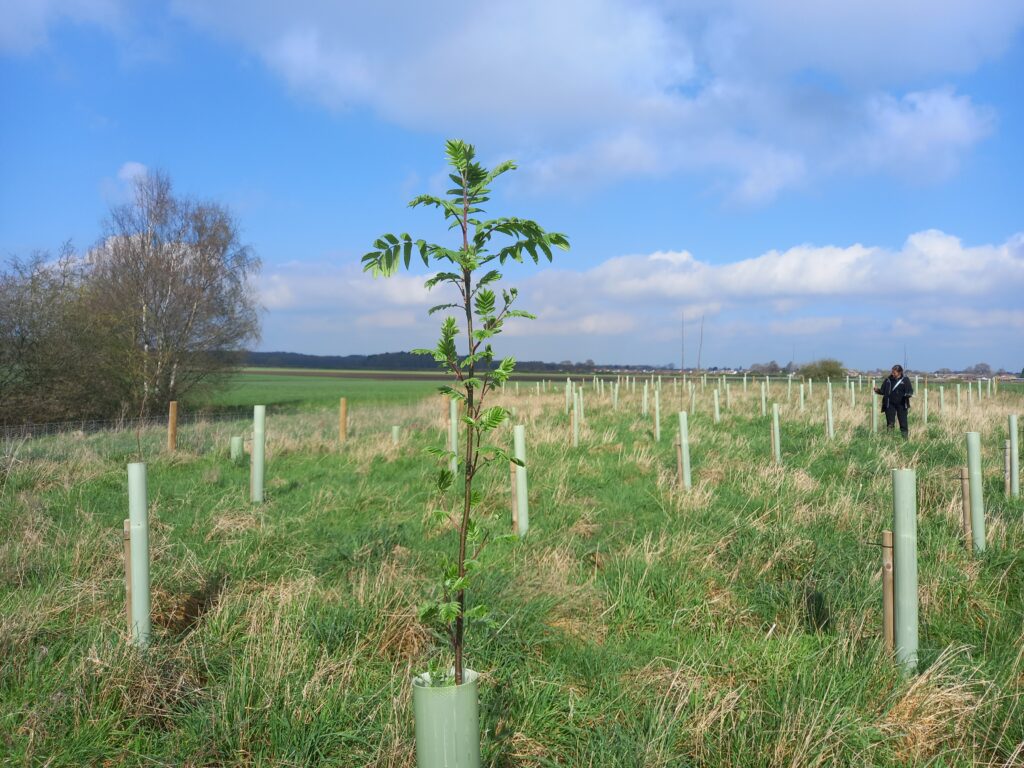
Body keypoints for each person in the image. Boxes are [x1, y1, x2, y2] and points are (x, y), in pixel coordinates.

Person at [874, 364, 913, 438]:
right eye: (892, 372)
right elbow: (883, 391)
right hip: (890, 404)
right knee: (890, 423)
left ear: (900, 372)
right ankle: (890, 439)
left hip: (902, 404)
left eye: (894, 372)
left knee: (903, 422)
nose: (892, 374)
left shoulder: (905, 380)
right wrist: (877, 390)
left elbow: (910, 391)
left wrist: (908, 395)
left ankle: (905, 439)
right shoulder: (888, 380)